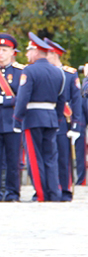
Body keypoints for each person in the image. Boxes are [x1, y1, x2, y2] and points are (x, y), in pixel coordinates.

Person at [13, 33, 65, 202]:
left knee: (34, 158)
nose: (27, 55)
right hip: (50, 117)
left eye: (29, 51)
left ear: (36, 51)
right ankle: (54, 193)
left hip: (33, 117)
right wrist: (57, 119)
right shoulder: (58, 72)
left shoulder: (29, 70)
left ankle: (41, 194)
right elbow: (61, 99)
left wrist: (17, 119)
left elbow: (22, 98)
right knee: (50, 158)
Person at [0, 33, 25, 202]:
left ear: (12, 52)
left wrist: (3, 100)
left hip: (12, 121)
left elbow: (23, 97)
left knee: (13, 161)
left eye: (4, 50)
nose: (0, 53)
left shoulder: (20, 72)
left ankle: (12, 193)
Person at [44, 38, 82, 201]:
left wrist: (76, 126)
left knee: (63, 157)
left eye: (46, 53)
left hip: (62, 122)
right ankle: (47, 189)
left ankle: (65, 189)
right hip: (45, 118)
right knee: (45, 156)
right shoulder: (43, 72)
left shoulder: (69, 73)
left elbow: (76, 101)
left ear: (53, 54)